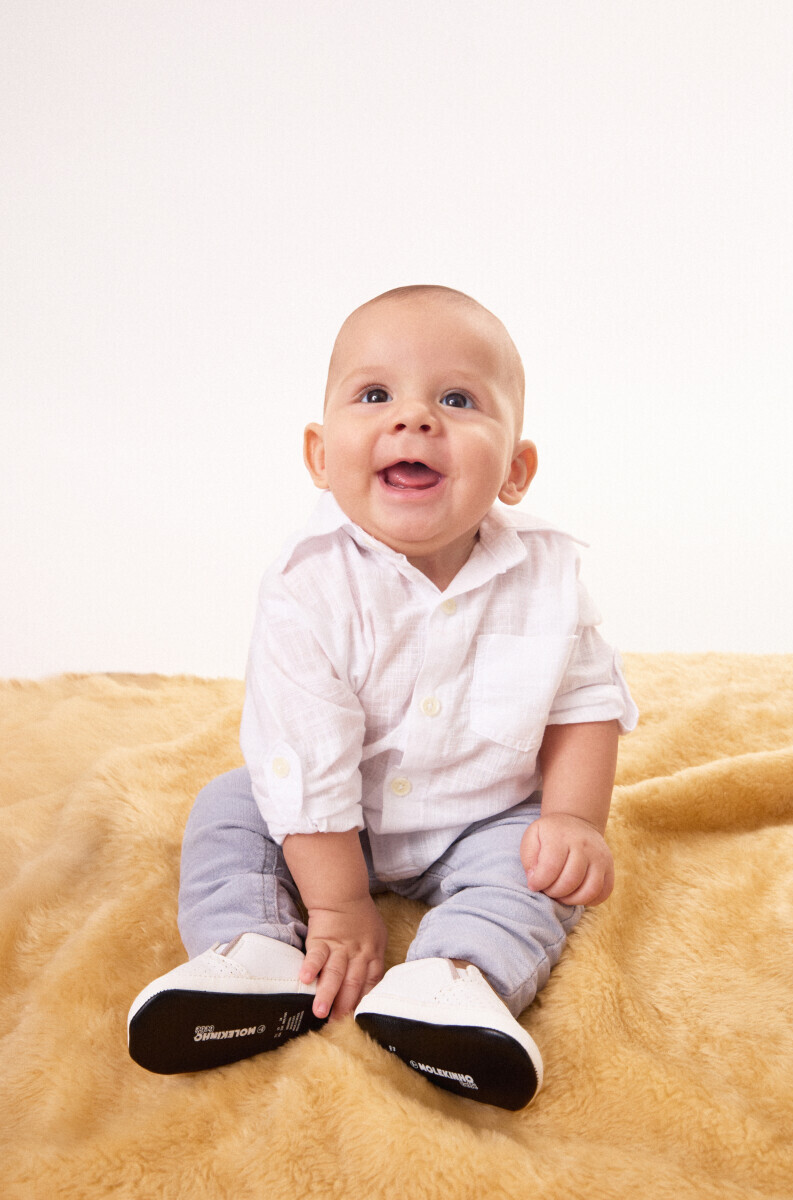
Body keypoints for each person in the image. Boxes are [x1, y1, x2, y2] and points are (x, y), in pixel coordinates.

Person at [127, 284, 637, 1109]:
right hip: (330, 824)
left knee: (538, 871)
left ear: (515, 470)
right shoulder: (306, 586)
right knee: (231, 808)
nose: (415, 419)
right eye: (375, 395)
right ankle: (251, 957)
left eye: (457, 400)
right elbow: (299, 759)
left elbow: (584, 702)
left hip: (481, 816)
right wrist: (336, 905)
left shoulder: (547, 576)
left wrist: (574, 819)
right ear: (320, 457)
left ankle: (455, 982)